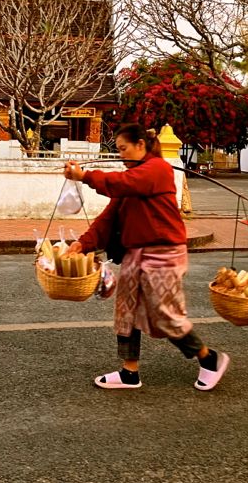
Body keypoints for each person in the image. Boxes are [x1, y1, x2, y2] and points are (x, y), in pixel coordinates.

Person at [63, 123, 229, 391]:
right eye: (118, 150)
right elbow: (107, 220)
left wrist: (85, 176)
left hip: (163, 253)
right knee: (126, 311)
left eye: (124, 149)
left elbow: (122, 183)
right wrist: (82, 244)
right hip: (135, 253)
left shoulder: (157, 170)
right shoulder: (132, 180)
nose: (121, 155)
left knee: (165, 314)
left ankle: (209, 359)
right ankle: (129, 372)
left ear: (141, 145)